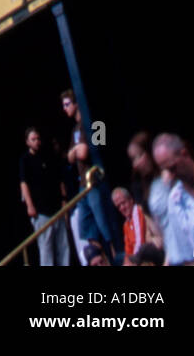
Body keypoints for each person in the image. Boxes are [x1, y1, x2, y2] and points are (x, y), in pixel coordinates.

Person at [60, 88, 115, 260]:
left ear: (77, 103)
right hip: (82, 185)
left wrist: (77, 151)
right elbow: (69, 157)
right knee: (87, 229)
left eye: (67, 104)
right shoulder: (75, 129)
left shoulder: (94, 122)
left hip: (96, 182)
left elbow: (85, 153)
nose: (65, 108)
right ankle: (100, 260)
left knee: (106, 227)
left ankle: (115, 257)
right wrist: (76, 150)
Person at [152, 133, 194, 265]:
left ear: (184, 154)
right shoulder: (175, 200)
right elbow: (186, 257)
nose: (172, 176)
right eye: (166, 170)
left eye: (173, 168)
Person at [127, 131, 182, 264]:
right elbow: (149, 219)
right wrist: (153, 236)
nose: (136, 164)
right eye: (133, 160)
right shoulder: (142, 186)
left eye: (139, 156)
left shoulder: (168, 179)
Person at [19, 127, 69, 266]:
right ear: (27, 142)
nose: (37, 142)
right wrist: (30, 206)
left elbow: (59, 179)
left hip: (56, 208)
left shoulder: (47, 155)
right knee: (46, 250)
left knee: (63, 247)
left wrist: (64, 200)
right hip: (41, 212)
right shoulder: (25, 160)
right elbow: (24, 184)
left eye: (38, 139)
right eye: (33, 139)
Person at [112, 187, 147, 256]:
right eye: (118, 206)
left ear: (131, 200)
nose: (122, 208)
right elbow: (128, 251)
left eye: (123, 203)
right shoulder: (126, 224)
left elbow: (140, 242)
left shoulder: (138, 211)